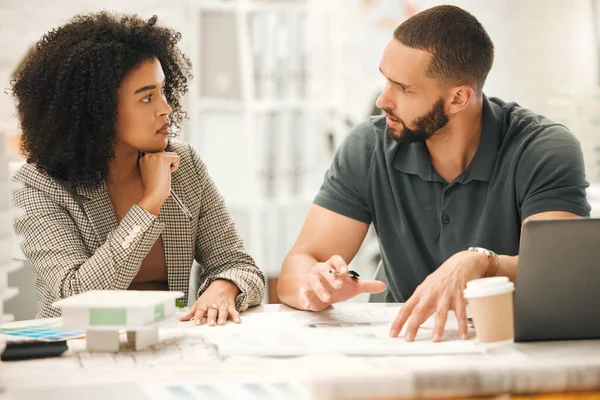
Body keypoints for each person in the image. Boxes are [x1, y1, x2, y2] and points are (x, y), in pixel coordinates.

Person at [277, 5, 590, 342]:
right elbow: (298, 267)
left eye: (404, 88)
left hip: (501, 341)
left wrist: (480, 263)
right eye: (385, 79)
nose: (383, 100)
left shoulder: (543, 149)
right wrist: (315, 286)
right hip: (396, 345)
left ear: (458, 98)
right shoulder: (369, 145)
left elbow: (556, 275)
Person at [11, 12, 265, 323]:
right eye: (146, 98)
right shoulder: (39, 185)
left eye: (162, 90)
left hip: (168, 346)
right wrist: (150, 204)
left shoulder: (185, 166)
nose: (166, 108)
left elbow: (239, 264)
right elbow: (75, 297)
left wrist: (226, 286)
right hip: (78, 349)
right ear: (98, 112)